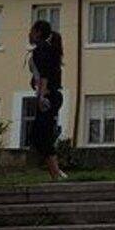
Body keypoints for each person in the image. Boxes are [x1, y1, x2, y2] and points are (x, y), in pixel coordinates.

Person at [28, 19, 66, 181]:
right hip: (52, 95)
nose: (29, 34)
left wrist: (41, 96)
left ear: (38, 32)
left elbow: (45, 75)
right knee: (40, 136)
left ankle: (56, 173)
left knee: (40, 136)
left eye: (31, 31)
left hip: (48, 96)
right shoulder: (48, 50)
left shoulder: (41, 50)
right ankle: (55, 173)